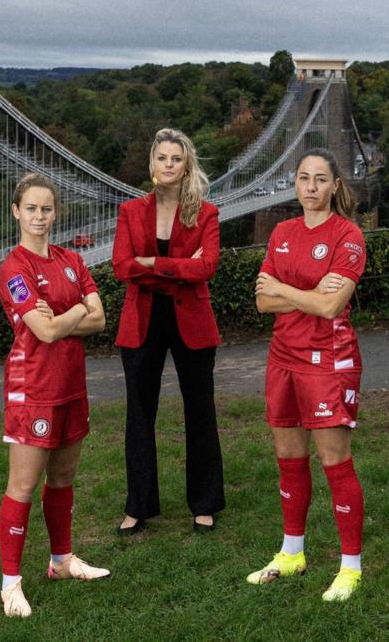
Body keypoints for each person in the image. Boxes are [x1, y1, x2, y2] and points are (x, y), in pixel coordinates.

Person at [250, 148, 367, 602]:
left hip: (328, 359)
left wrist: (284, 289)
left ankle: (350, 567)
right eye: (304, 178)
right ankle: (292, 552)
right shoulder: (282, 231)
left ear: (335, 185)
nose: (312, 187)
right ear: (295, 184)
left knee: (334, 461)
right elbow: (263, 302)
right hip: (283, 357)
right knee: (288, 457)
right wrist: (304, 293)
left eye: (321, 179)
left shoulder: (348, 234)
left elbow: (330, 306)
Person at [0, 173, 110, 619]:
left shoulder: (70, 259)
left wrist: (67, 314)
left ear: (55, 212)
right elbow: (42, 331)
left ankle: (61, 561)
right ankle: (10, 585)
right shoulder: (14, 268)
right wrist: (78, 308)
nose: (39, 216)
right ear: (16, 212)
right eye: (31, 209)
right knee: (23, 487)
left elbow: (100, 320)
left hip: (71, 387)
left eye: (46, 209)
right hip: (33, 391)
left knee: (62, 479)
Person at [112, 128, 225, 536]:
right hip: (141, 321)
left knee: (200, 412)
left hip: (191, 321)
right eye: (162, 157)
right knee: (139, 415)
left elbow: (206, 267)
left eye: (176, 158)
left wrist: (153, 264)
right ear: (152, 164)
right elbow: (122, 266)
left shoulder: (206, 213)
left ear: (186, 164)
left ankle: (205, 503)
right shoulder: (129, 211)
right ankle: (138, 506)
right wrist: (179, 267)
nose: (169, 165)